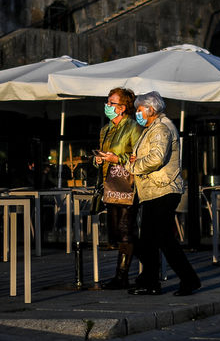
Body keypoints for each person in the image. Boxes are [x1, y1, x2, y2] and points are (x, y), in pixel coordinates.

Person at [127, 92, 200, 297]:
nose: (137, 113)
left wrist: (133, 166)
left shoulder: (160, 128)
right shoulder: (152, 128)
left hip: (162, 189)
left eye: (139, 109)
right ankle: (150, 281)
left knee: (161, 238)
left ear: (151, 109)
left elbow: (156, 159)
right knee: (150, 240)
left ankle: (186, 280)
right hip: (154, 191)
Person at [93, 87, 143, 290]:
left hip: (127, 182)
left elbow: (138, 156)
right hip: (110, 183)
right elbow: (103, 157)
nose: (108, 106)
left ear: (122, 108)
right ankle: (151, 259)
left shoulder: (132, 126)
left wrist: (118, 158)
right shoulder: (105, 129)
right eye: (107, 102)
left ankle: (122, 276)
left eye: (111, 103)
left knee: (125, 230)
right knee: (115, 232)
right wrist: (98, 159)